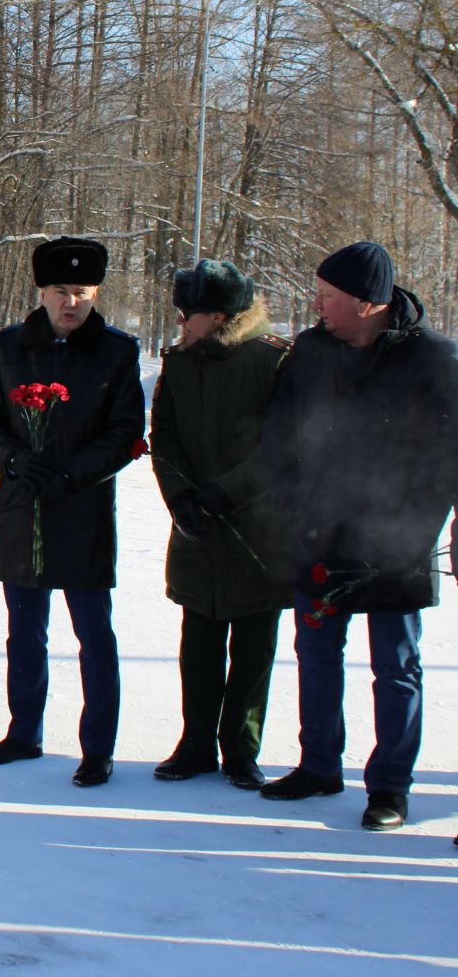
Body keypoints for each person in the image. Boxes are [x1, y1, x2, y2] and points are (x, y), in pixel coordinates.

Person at [257, 242, 458, 832]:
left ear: (369, 303)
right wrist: (294, 508)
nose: (315, 304)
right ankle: (319, 764)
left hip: (397, 539)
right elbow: (279, 436)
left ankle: (391, 786)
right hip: (319, 534)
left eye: (327, 296)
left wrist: (424, 525)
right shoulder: (311, 351)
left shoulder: (433, 361)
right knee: (316, 655)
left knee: (396, 668)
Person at [0, 236, 145, 787]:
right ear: (41, 292)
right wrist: (16, 460)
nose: (72, 302)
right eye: (61, 291)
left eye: (83, 292)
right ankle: (25, 731)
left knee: (94, 634)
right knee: (24, 630)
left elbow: (125, 433)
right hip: (24, 505)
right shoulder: (11, 346)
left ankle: (98, 746)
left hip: (82, 508)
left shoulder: (117, 352)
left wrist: (73, 471)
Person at [148, 259, 290, 790]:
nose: (180, 323)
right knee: (199, 643)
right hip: (196, 528)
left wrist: (224, 494)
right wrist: (181, 496)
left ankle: (241, 748)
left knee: (254, 648)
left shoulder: (274, 362)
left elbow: (283, 449)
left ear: (223, 315)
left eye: (189, 314)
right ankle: (195, 744)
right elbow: (164, 437)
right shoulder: (180, 364)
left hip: (258, 530)